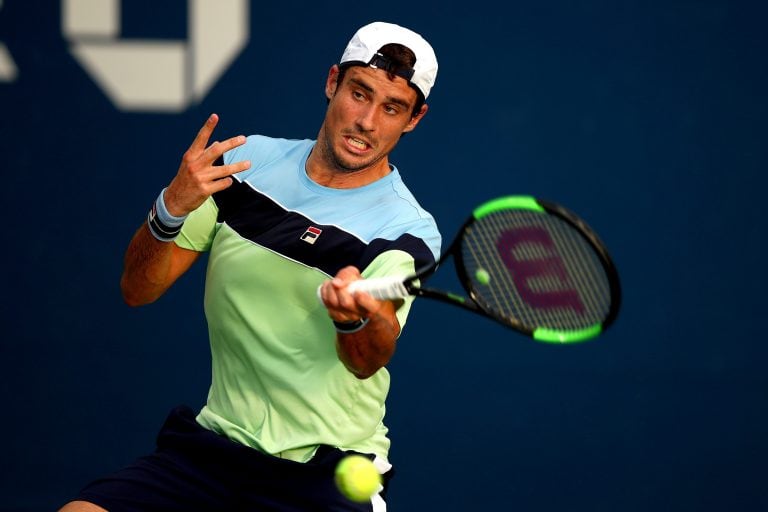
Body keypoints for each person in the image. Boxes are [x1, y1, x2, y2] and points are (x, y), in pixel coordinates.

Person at [59, 21, 441, 512]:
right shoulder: (245, 165)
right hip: (213, 451)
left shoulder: (405, 229)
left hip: (325, 472)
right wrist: (170, 209)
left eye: (391, 108)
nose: (367, 121)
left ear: (413, 119)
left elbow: (368, 357)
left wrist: (356, 317)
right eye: (359, 93)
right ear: (332, 83)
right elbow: (138, 290)